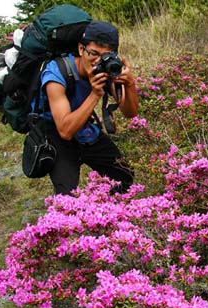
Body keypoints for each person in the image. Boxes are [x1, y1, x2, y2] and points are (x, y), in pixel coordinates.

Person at [39, 20, 138, 195]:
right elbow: (65, 131)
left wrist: (130, 85)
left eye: (106, 55)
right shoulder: (56, 73)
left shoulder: (108, 71)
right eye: (93, 53)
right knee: (67, 197)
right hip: (57, 135)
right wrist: (95, 94)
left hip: (85, 129)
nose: (98, 61)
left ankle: (106, 215)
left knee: (125, 175)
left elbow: (130, 113)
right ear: (80, 49)